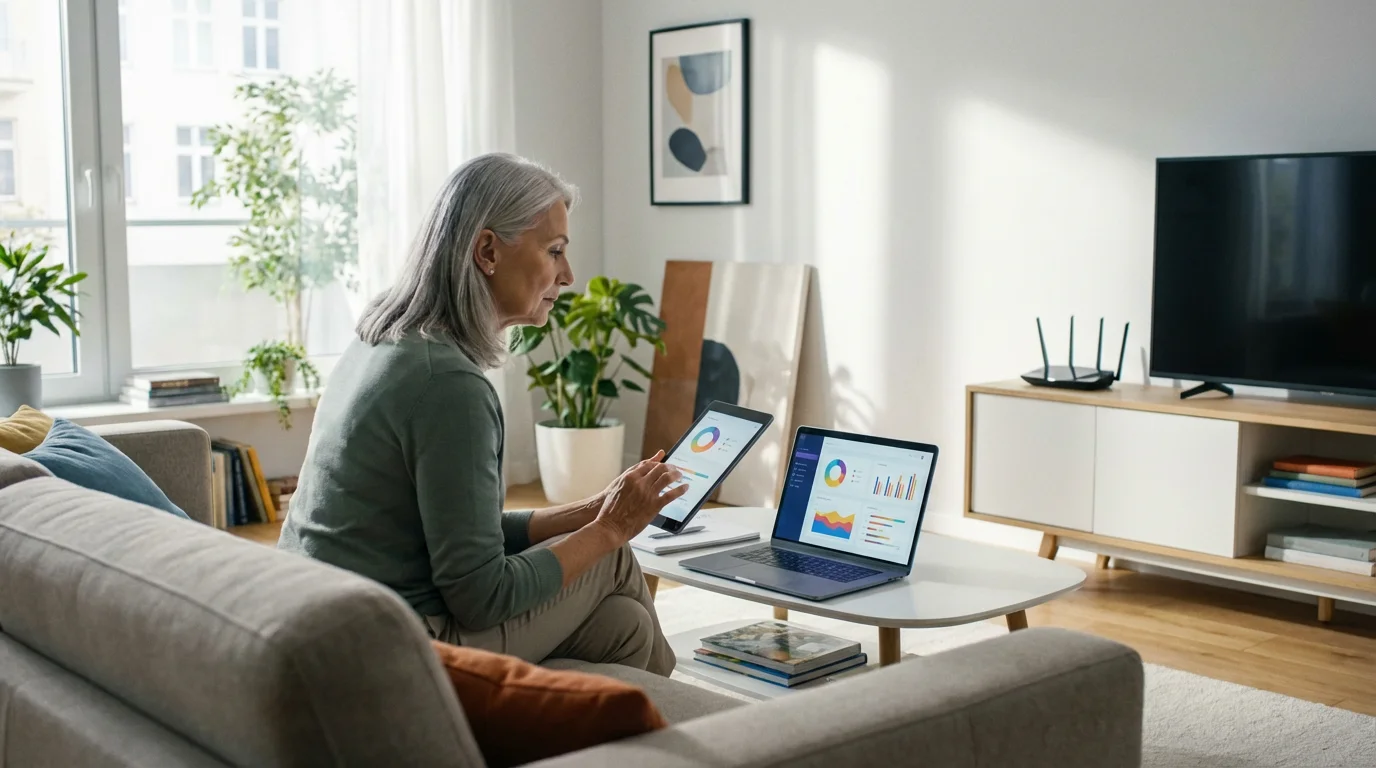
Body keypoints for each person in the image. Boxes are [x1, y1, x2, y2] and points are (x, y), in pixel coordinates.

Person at [278, 152, 687, 676]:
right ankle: (710, 742)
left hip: (329, 620)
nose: (568, 274)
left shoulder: (385, 335)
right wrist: (608, 531)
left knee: (623, 625)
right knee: (611, 557)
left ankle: (608, 737)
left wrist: (594, 510)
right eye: (555, 250)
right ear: (488, 251)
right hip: (396, 644)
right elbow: (481, 596)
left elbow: (463, 534)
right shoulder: (449, 385)